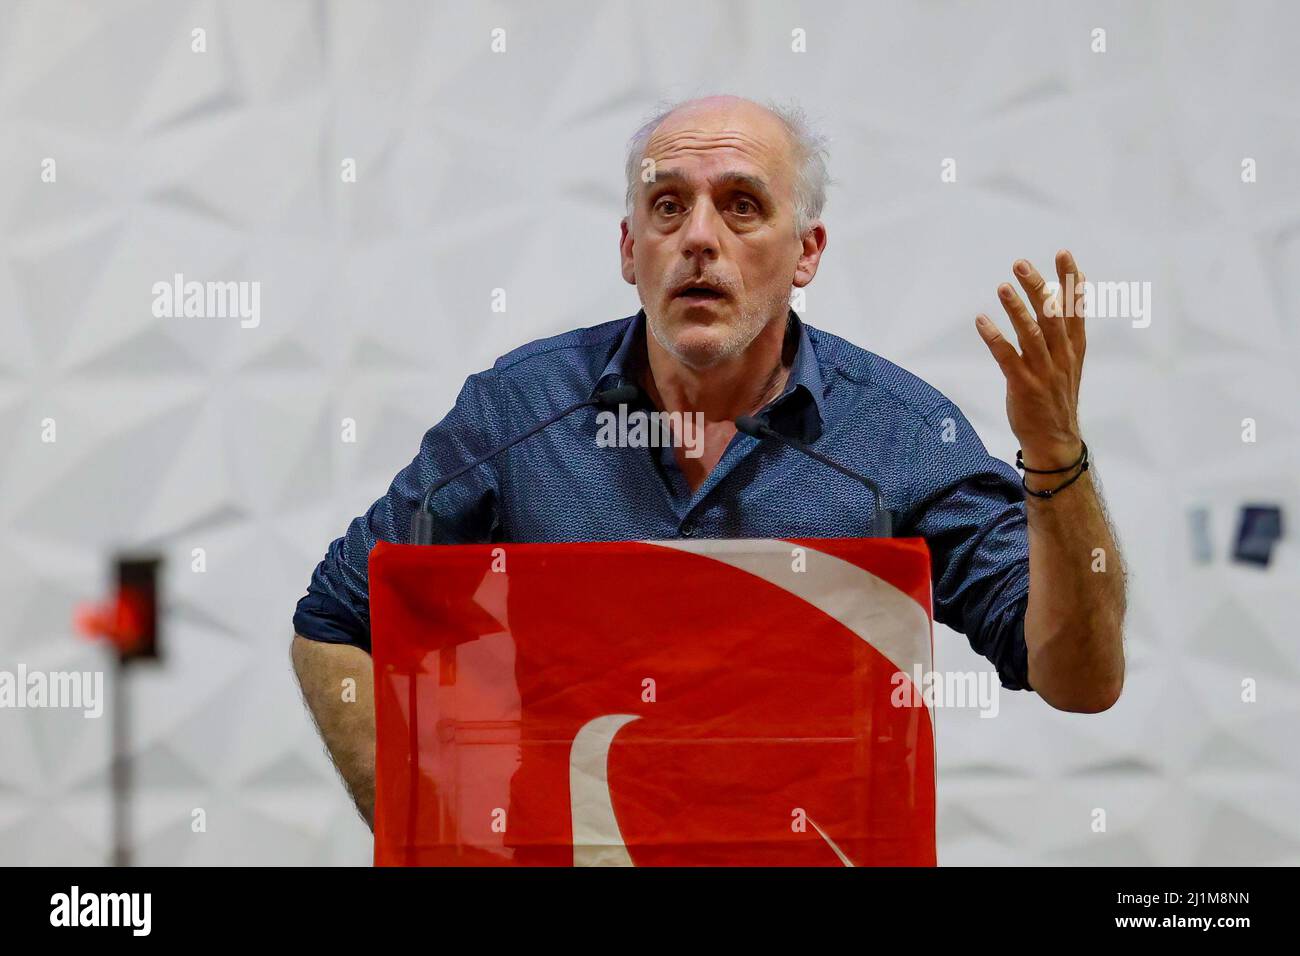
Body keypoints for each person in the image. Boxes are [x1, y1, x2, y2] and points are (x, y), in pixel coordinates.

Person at [291, 94, 1127, 829]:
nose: (698, 238)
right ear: (629, 250)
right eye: (666, 207)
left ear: (806, 252)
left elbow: (1078, 677)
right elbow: (333, 624)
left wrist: (1055, 457)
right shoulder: (519, 414)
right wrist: (429, 833)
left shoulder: (900, 437)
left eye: (741, 207)